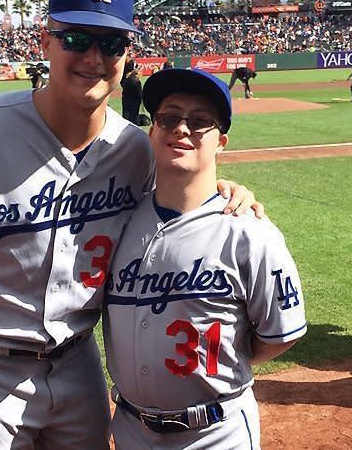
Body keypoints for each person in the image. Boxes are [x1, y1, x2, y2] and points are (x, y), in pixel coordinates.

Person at [0, 0, 263, 449]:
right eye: (76, 38)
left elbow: (180, 197)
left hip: (78, 356)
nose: (93, 56)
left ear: (127, 55)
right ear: (46, 41)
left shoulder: (136, 150)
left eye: (110, 43)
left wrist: (229, 192)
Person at [104, 68, 307, 449]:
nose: (182, 129)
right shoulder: (119, 224)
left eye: (200, 122)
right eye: (169, 118)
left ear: (221, 142)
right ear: (153, 131)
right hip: (131, 431)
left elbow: (280, 335)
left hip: (217, 433)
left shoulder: (249, 231)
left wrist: (229, 360)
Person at [120, 60, 144, 125]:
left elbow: (122, 84)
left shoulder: (126, 80)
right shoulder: (137, 82)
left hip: (126, 100)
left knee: (125, 116)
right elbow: (139, 93)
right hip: (134, 102)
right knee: (134, 117)